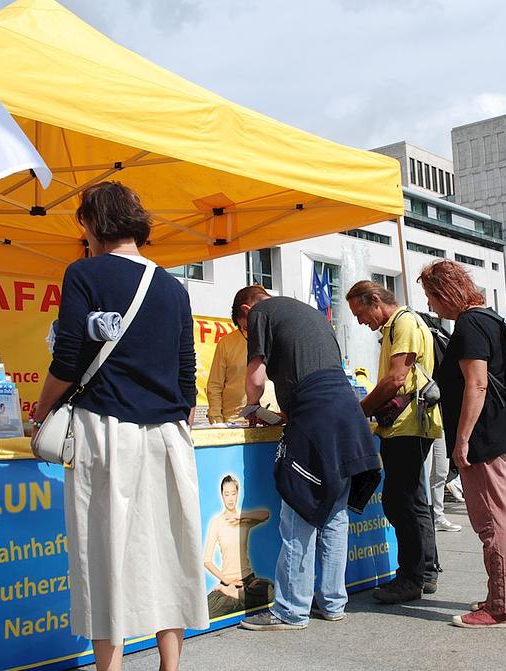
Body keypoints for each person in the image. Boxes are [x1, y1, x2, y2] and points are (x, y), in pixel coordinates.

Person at [31, 182, 207, 671]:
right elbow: (185, 368)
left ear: (92, 222)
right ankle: (170, 666)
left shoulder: (84, 274)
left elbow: (67, 358)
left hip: (105, 431)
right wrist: (176, 410)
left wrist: (42, 410)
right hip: (169, 435)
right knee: (170, 547)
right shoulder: (172, 286)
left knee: (104, 552)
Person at [235, 287, 378, 631]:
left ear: (245, 310)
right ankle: (331, 602)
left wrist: (251, 407)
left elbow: (256, 376)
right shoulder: (306, 311)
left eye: (243, 328)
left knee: (299, 510)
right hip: (345, 413)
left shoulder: (259, 314)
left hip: (316, 414)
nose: (248, 333)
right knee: (334, 514)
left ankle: (290, 609)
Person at [418, 260, 506, 629]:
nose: (432, 307)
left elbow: (477, 384)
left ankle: (499, 608)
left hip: (483, 435)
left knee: (491, 521)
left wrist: (461, 439)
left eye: (432, 297)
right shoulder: (492, 318)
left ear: (446, 292)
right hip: (503, 429)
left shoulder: (469, 324)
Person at [346, 280, 442, 603]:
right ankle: (425, 572)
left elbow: (396, 378)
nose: (360, 321)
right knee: (413, 500)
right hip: (405, 425)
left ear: (375, 300)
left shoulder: (404, 322)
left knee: (399, 502)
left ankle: (411, 577)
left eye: (360, 313)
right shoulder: (394, 326)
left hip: (408, 425)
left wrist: (361, 410)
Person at [202, 476, 273, 618]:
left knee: (270, 591)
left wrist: (241, 516)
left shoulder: (244, 520)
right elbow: (207, 561)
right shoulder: (216, 523)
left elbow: (266, 515)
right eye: (226, 494)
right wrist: (226, 582)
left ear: (237, 493)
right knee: (205, 611)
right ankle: (236, 597)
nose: (230, 498)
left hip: (248, 582)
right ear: (221, 495)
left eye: (233, 493)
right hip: (226, 584)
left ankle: (236, 597)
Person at [207, 305, 277, 425]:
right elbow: (214, 385)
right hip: (235, 421)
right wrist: (217, 421)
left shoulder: (275, 339)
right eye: (244, 328)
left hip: (272, 419)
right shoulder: (226, 343)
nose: (248, 331)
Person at [428, 434, 461, 531]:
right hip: (420, 427)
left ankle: (437, 517)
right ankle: (426, 516)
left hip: (439, 426)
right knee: (425, 472)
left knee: (441, 472)